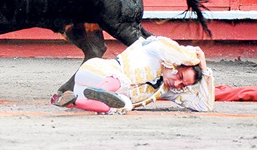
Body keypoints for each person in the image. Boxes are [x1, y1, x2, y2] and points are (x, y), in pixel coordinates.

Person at [56, 36, 214, 114]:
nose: (177, 84)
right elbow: (165, 47)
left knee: (125, 105)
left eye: (183, 85)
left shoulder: (169, 91)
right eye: (179, 76)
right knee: (123, 81)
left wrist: (205, 70)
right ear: (176, 62)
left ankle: (74, 101)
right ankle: (101, 92)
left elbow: (204, 106)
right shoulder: (153, 50)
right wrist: (195, 56)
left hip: (81, 89)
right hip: (94, 71)